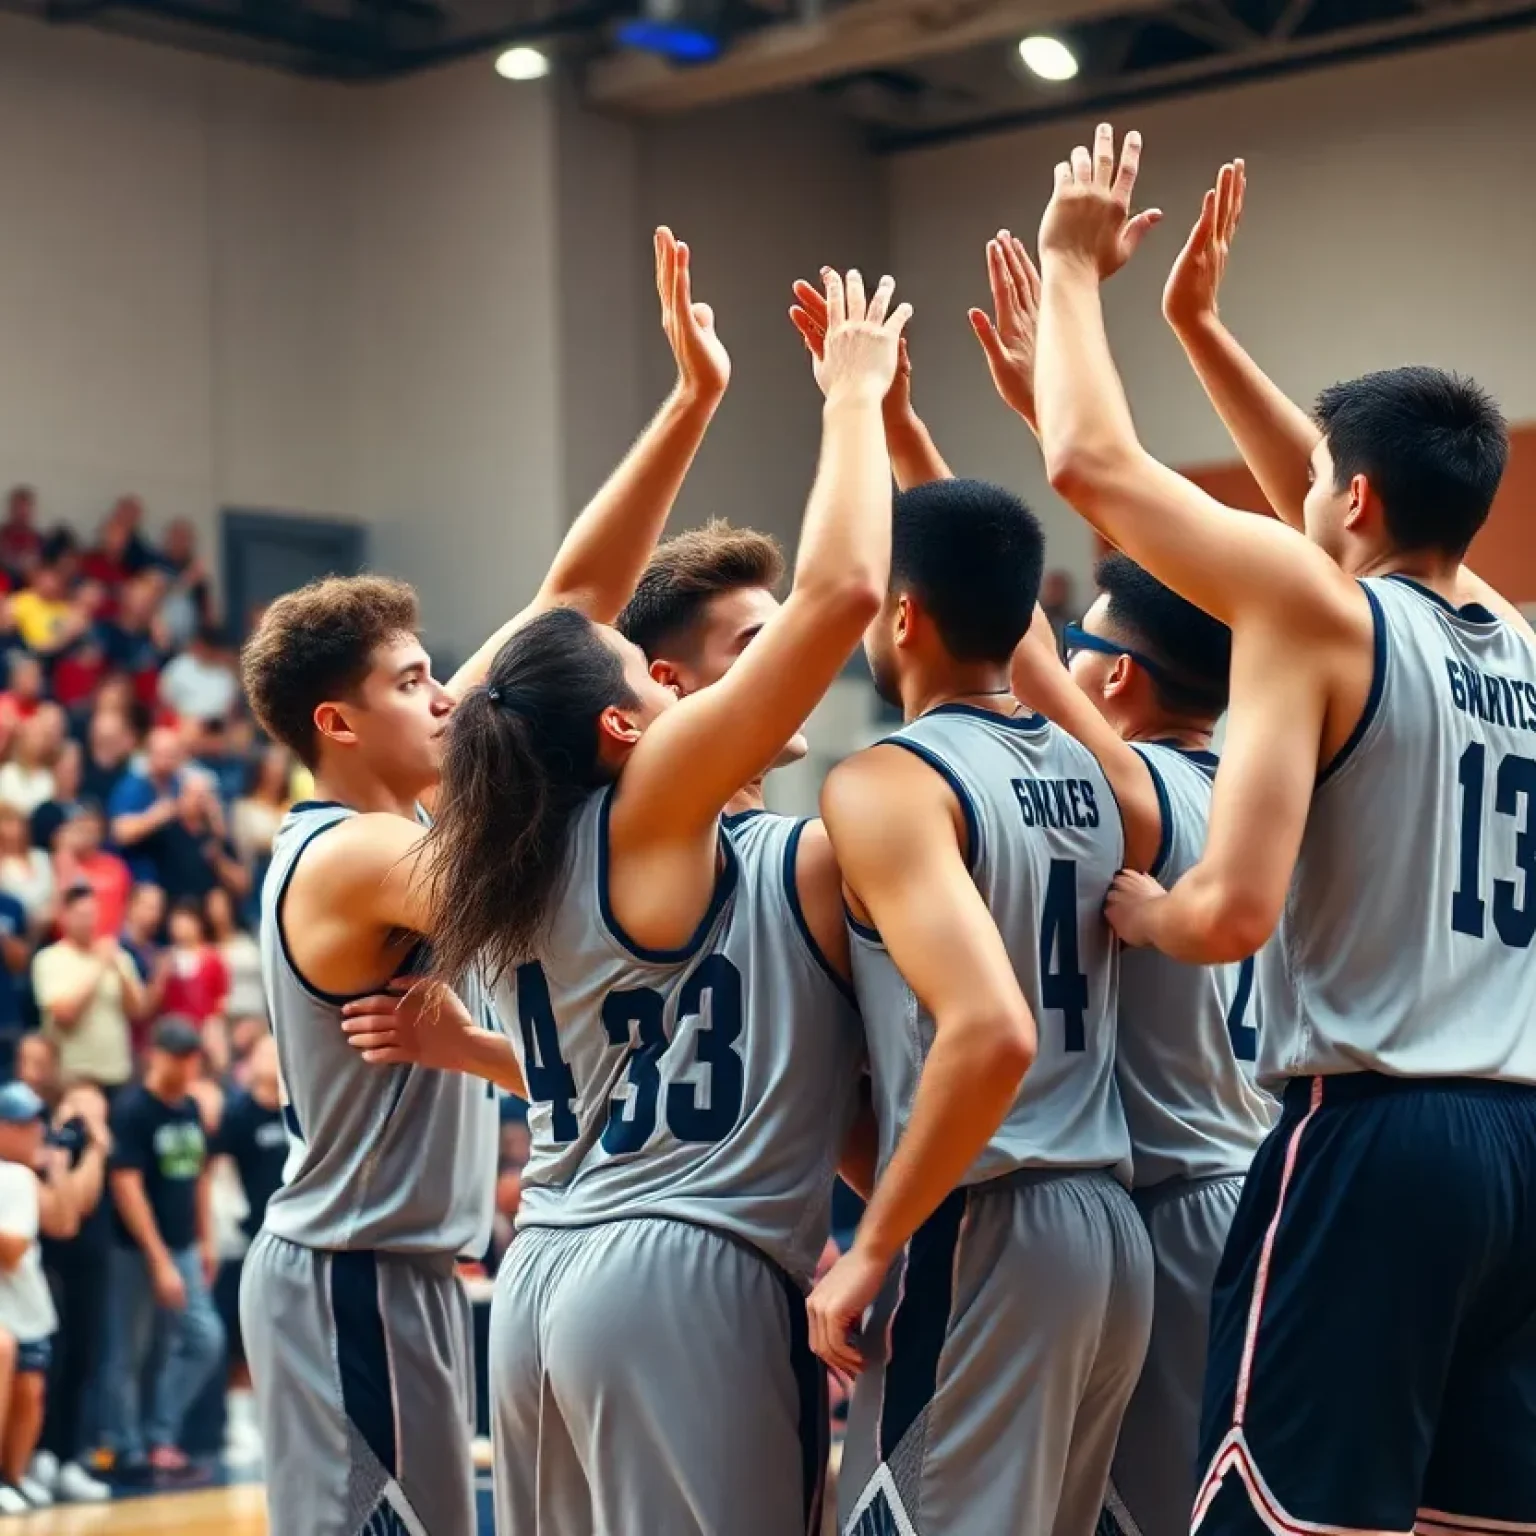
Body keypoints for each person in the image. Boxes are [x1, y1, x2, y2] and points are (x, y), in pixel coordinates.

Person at [1031, 126, 1536, 1536]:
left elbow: (1085, 457)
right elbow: (1334, 497)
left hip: (1373, 1133)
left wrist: (1076, 271)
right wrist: (1196, 324)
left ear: (1353, 506)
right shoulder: (1516, 638)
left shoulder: (1326, 616)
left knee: (1281, 1516)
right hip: (1520, 1145)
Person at [383, 260, 900, 1536]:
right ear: (626, 720)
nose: (687, 700)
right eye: (655, 682)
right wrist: (850, 397)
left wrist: (690, 401)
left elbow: (557, 616)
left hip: (547, 1272)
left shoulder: (494, 829)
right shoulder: (651, 802)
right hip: (685, 1270)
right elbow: (840, 597)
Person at [235, 226, 736, 1536]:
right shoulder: (356, 854)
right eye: (411, 683)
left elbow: (576, 597)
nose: (446, 692)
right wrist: (694, 755)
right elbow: (554, 869)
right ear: (335, 725)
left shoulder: (405, 824)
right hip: (347, 1270)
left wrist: (691, 401)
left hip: (394, 1268)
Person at [787, 276, 1150, 1536]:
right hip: (1109, 1224)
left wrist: (874, 1244)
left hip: (984, 1217)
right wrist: (904, 433)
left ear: (898, 615)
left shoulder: (886, 782)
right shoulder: (1106, 780)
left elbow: (986, 1032)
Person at [967, 231, 1276, 1536]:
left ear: (1117, 678)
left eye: (1090, 643)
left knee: (1161, 1515)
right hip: (1248, 1179)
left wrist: (1017, 441)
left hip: (1175, 1203)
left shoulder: (1139, 797)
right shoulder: (1273, 782)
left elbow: (1006, 633)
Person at [101, 1017, 224, 1479]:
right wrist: (158, 1260)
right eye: (180, 1053)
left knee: (204, 1338)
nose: (190, 1062)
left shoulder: (190, 1108)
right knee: (128, 1351)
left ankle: (160, 1434)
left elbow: (199, 1178)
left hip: (185, 1246)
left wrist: (206, 1240)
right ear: (155, 1053)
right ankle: (127, 1446)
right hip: (133, 1250)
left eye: (193, 1053)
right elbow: (126, 1186)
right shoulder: (134, 1109)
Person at [13, 1039, 113, 1506]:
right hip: (50, 1269)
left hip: (92, 1270)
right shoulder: (48, 1149)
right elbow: (73, 1212)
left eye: (95, 1109)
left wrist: (95, 1146)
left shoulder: (95, 1147)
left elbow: (83, 1202)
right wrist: (85, 1149)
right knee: (49, 1363)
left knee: (85, 1362)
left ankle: (69, 1457)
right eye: (79, 1109)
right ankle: (37, 1459)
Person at [0, 1079, 96, 1511]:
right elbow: (14, 1246)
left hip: (26, 1303)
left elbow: (63, 1224)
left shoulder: (22, 1177)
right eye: (22, 1123)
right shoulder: (16, 1178)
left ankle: (14, 1478)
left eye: (37, 1120)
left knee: (31, 1392)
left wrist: (57, 1167)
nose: (36, 1130)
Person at [32, 886, 143, 1094]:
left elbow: (138, 1010)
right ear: (64, 916)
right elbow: (65, 1013)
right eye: (81, 915)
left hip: (118, 1072)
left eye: (92, 914)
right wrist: (98, 967)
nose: (88, 921)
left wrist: (118, 969)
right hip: (75, 1075)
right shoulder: (49, 959)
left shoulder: (117, 955)